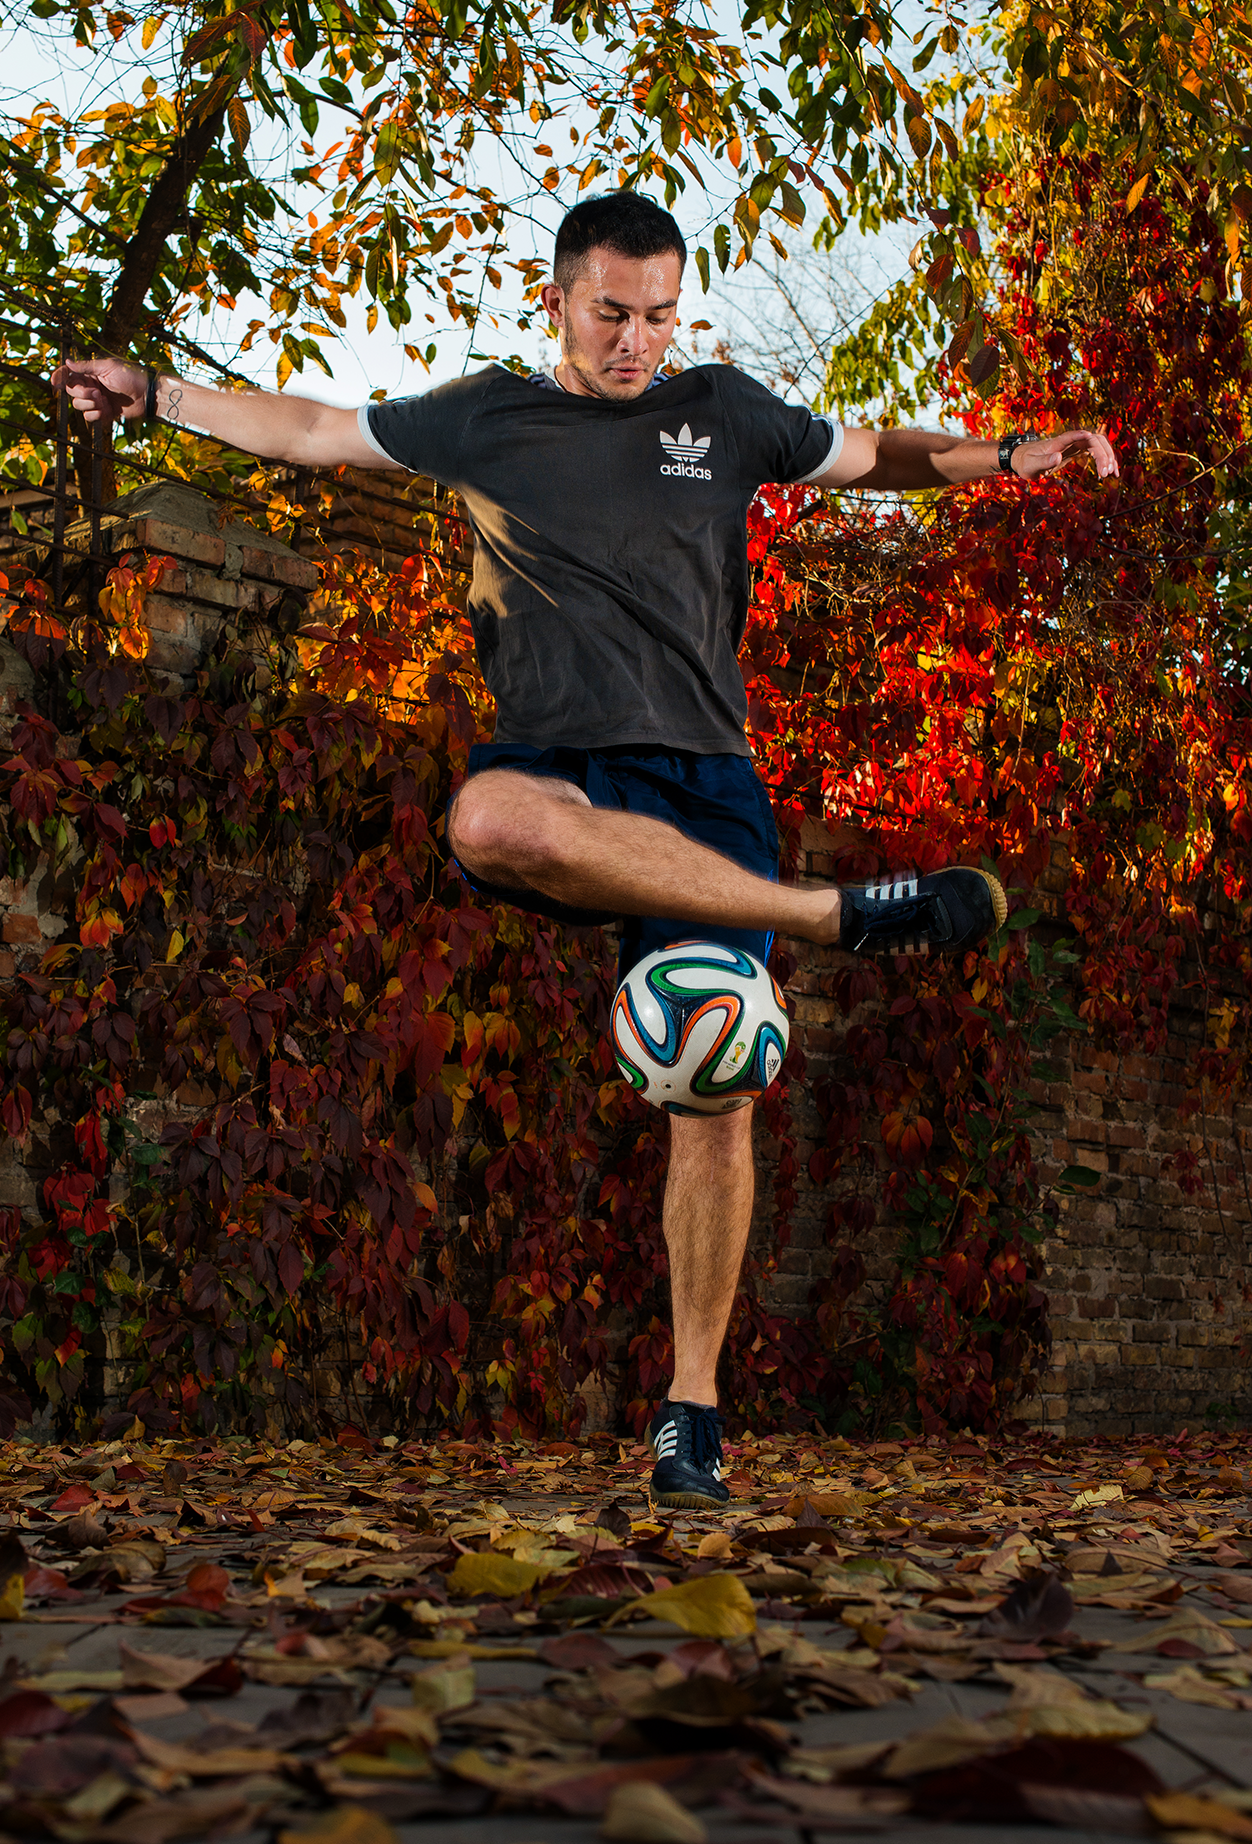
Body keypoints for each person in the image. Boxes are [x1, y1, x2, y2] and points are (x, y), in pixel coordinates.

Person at [57, 191, 1118, 1509]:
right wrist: (154, 394)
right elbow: (316, 431)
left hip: (705, 777)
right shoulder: (492, 419)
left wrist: (1012, 452)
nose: (635, 341)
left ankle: (691, 1415)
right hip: (561, 761)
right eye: (612, 313)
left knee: (716, 1072)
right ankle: (832, 918)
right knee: (486, 820)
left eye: (659, 316)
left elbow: (876, 455)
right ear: (555, 297)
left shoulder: (722, 414)